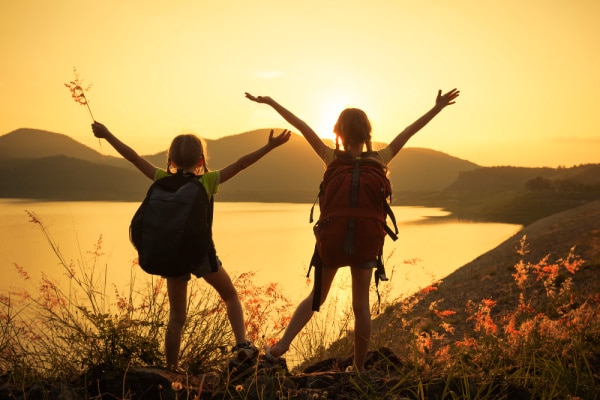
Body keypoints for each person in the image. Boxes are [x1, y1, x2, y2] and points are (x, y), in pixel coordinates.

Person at [245, 88, 459, 371]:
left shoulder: (330, 157)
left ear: (339, 133)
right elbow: (410, 130)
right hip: (366, 242)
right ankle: (358, 369)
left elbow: (300, 125)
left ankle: (279, 349)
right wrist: (437, 108)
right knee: (361, 306)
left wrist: (271, 102)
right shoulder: (381, 159)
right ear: (367, 133)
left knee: (317, 297)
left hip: (331, 241)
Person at [91, 121, 291, 371]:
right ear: (201, 161)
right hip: (200, 254)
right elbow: (241, 163)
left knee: (177, 317)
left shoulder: (161, 178)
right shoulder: (207, 181)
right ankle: (241, 345)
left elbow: (132, 157)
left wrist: (107, 134)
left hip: (172, 254)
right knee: (229, 295)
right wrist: (269, 147)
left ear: (171, 161)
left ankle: (171, 368)